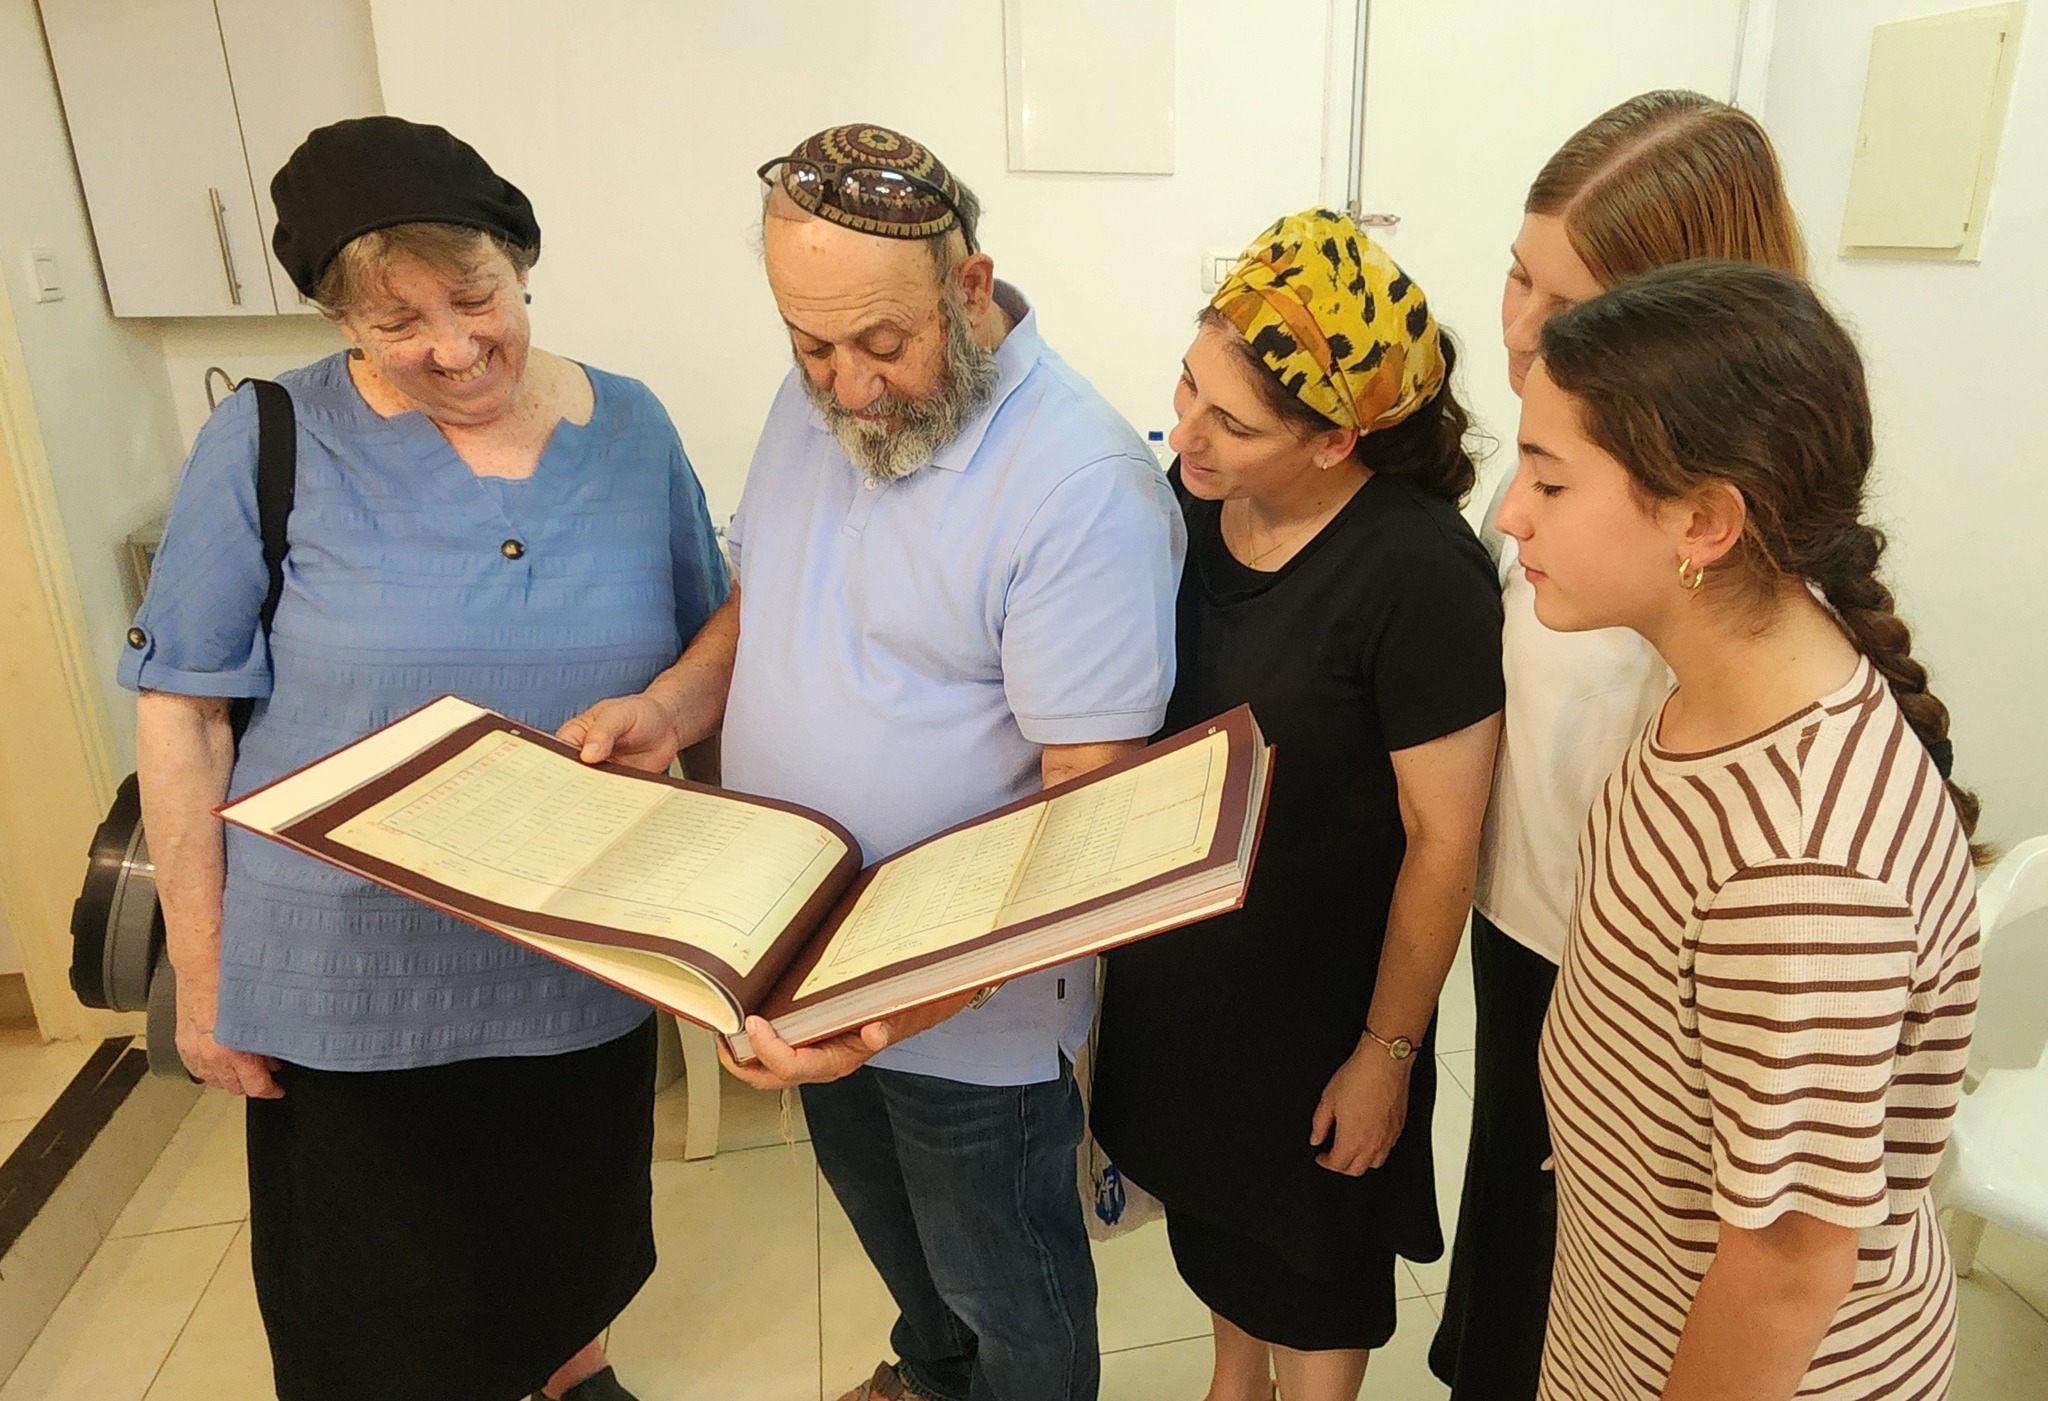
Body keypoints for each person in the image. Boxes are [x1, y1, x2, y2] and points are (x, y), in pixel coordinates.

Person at [562, 123, 1183, 1401]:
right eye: (811, 346)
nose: (846, 388)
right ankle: (931, 1377)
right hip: (795, 956)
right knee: (900, 1249)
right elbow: (766, 596)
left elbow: (1086, 822)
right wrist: (671, 709)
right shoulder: (815, 402)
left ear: (968, 285)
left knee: (1008, 1286)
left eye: (882, 344)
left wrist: (893, 1011)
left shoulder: (1079, 481)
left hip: (967, 1007)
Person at [125, 116, 729, 1401]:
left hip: (578, 946)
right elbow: (185, 714)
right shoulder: (271, 436)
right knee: (377, 1308)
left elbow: (709, 649)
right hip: (347, 974)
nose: (452, 347)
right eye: (397, 323)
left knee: (570, 1233)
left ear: (523, 265)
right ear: (341, 322)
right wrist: (203, 975)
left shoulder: (631, 427)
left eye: (475, 297)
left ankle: (571, 1374)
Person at [1501, 259, 1982, 1399]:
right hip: (1628, 1317)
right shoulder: (1713, 697)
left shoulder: (1802, 870)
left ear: (1705, 521)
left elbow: (1785, 1270)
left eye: (1550, 481)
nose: (1512, 513)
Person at [1430, 90, 1809, 1401]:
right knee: (1510, 1256)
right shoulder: (1559, 451)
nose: (1520, 330)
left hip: (1636, 975)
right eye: (1517, 277)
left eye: (1568, 304)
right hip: (1523, 921)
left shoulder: (1728, 557)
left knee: (1599, 1284)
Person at [1089, 209, 1503, 1401]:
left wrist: (1385, 1053)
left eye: (1232, 424)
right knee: (1217, 1223)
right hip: (1188, 983)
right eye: (1188, 387)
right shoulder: (1187, 509)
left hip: (1321, 1007)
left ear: (1333, 443)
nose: (1185, 433)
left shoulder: (1417, 574)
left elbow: (1443, 838)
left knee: (1314, 1257)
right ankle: (1236, 1383)